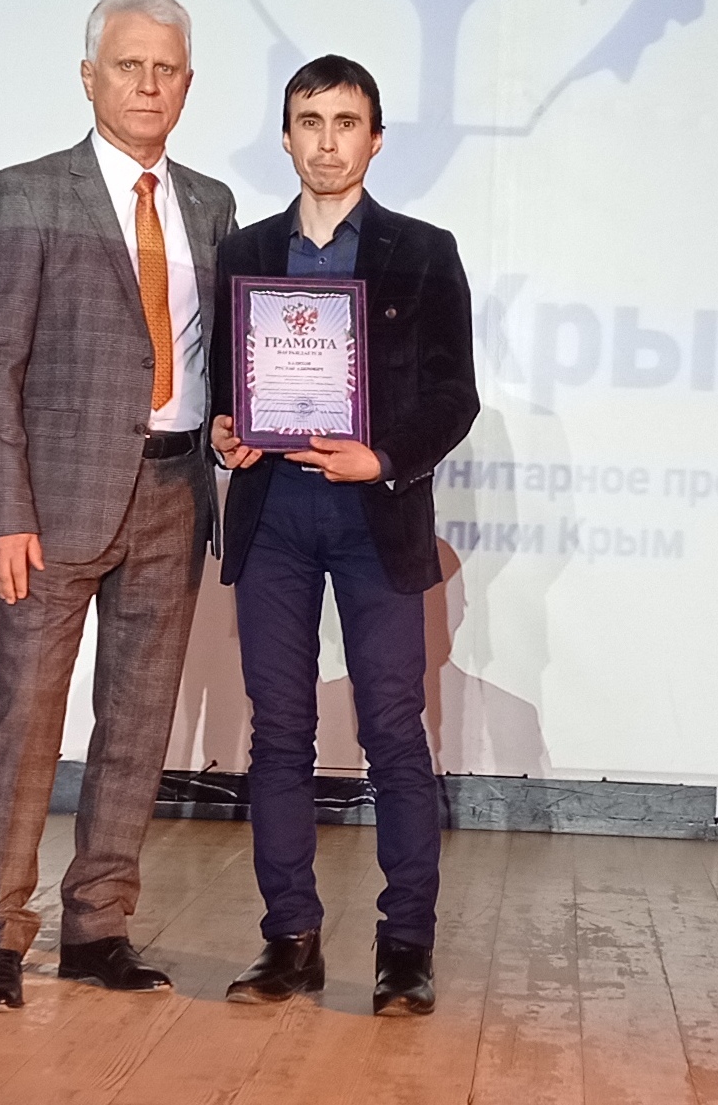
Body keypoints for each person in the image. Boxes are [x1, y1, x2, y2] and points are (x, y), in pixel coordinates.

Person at [0, 0, 236, 1010]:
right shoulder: (27, 192)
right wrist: (0, 511)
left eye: (165, 69)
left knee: (136, 723)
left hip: (175, 491)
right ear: (89, 77)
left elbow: (216, 358)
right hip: (52, 504)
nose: (148, 84)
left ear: (187, 84)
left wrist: (231, 426)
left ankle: (98, 926)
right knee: (25, 717)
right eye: (128, 65)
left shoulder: (211, 204)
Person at [211, 55, 478, 1015]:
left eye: (346, 122)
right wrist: (225, 431)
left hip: (376, 513)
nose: (326, 142)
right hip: (275, 514)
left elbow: (454, 394)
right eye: (309, 121)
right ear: (285, 135)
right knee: (279, 731)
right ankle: (289, 939)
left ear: (375, 138)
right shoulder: (243, 250)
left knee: (392, 730)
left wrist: (385, 456)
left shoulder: (422, 250)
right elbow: (224, 388)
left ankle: (405, 945)